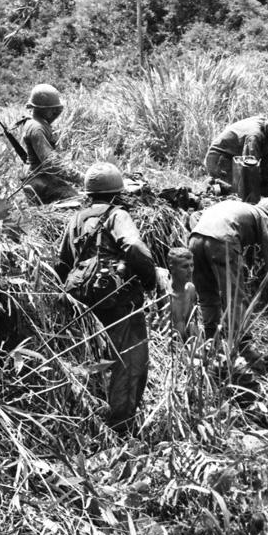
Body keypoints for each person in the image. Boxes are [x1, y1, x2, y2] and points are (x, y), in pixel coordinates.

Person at [55, 162, 157, 434]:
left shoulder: (76, 218)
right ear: (117, 192)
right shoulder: (117, 215)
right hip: (118, 302)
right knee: (130, 363)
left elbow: (63, 263)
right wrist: (149, 280)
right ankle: (120, 429)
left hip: (82, 301)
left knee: (93, 363)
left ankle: (88, 422)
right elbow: (133, 245)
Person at [188, 197, 268, 352]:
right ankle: (243, 347)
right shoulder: (262, 216)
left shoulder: (235, 207)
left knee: (208, 295)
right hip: (222, 241)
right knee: (235, 297)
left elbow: (194, 216)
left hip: (195, 239)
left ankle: (211, 343)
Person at [205, 109, 268, 199]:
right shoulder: (254, 135)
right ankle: (215, 183)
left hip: (236, 157)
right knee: (238, 193)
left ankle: (263, 191)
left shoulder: (267, 129)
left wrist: (263, 189)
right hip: (219, 159)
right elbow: (250, 166)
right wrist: (252, 191)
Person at [21, 83, 82, 204]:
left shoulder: (37, 122)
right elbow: (51, 163)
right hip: (39, 180)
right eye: (53, 109)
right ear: (44, 110)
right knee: (78, 201)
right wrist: (81, 178)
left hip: (41, 176)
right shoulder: (37, 128)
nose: (56, 112)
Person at [165, 246, 199, 342]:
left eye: (192, 265)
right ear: (172, 268)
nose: (190, 270)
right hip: (170, 345)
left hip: (189, 343)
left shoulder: (191, 289)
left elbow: (192, 323)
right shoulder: (166, 296)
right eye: (185, 266)